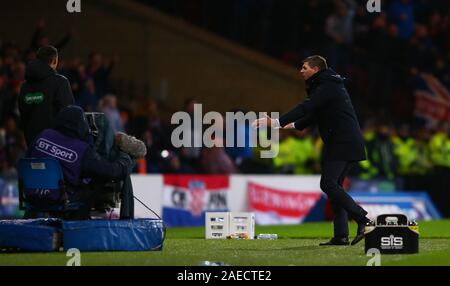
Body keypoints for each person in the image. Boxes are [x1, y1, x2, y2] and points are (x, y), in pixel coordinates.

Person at [253, 55, 370, 246]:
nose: (301, 71)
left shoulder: (327, 85)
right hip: (342, 142)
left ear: (315, 69)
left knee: (328, 184)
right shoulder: (327, 85)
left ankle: (364, 219)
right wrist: (280, 126)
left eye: (304, 67)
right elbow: (311, 116)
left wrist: (275, 121)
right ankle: (341, 235)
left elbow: (306, 107)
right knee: (335, 188)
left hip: (342, 143)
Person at [27, 105, 135, 219]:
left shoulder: (43, 135)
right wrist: (124, 159)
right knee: (93, 185)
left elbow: (27, 159)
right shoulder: (81, 149)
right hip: (62, 198)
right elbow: (111, 171)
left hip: (33, 195)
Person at [18, 45, 75, 147]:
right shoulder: (60, 82)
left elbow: (23, 116)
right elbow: (69, 114)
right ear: (54, 61)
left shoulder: (24, 86)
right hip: (55, 146)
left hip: (32, 144)